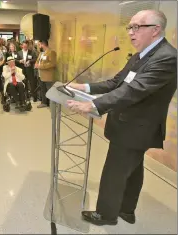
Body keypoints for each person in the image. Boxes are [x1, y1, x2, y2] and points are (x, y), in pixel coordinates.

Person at [67, 10, 177, 226]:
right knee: (133, 169)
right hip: (129, 125)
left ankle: (105, 215)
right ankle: (127, 210)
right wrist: (84, 87)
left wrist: (94, 104)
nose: (131, 32)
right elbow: (117, 82)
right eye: (130, 27)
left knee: (114, 172)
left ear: (155, 30)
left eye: (137, 27)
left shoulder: (167, 57)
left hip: (137, 128)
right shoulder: (142, 54)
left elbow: (134, 90)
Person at [35, 40, 56, 108]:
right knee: (43, 89)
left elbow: (52, 64)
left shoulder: (51, 52)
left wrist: (40, 66)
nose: (39, 46)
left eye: (39, 44)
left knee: (49, 90)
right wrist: (36, 64)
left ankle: (52, 104)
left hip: (48, 76)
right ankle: (44, 102)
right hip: (41, 75)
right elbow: (37, 61)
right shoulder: (41, 53)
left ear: (43, 44)